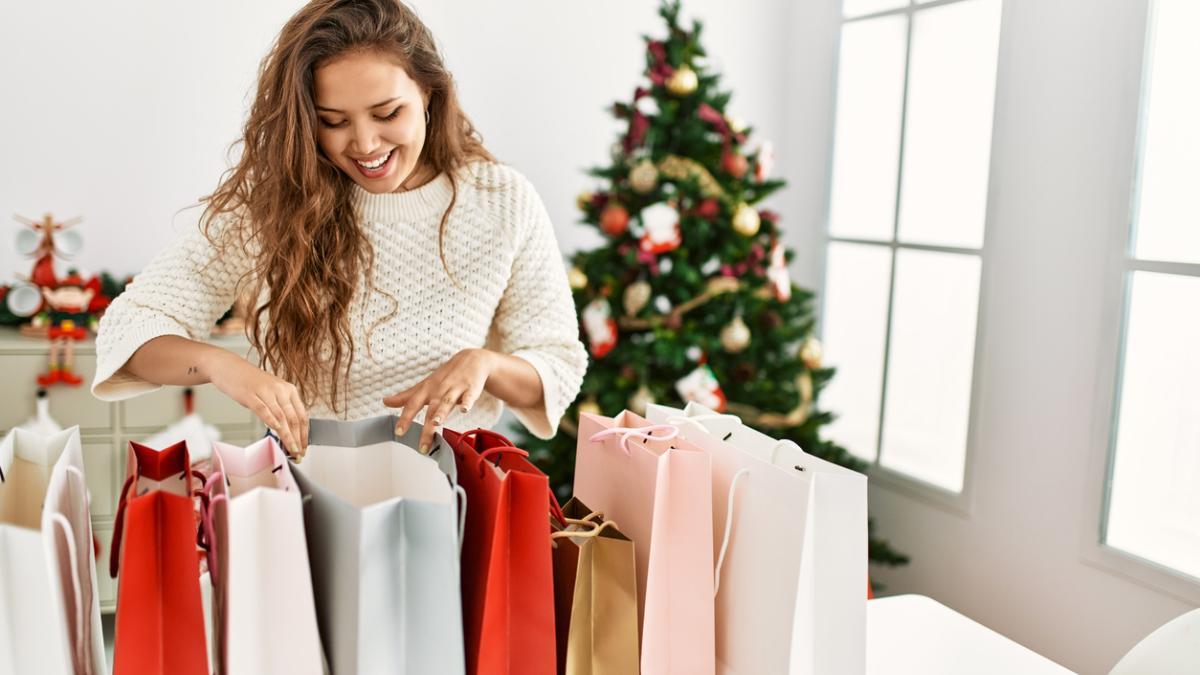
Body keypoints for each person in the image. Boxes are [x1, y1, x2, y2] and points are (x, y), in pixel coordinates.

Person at [91, 0, 587, 459]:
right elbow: (129, 330)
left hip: (457, 499)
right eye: (333, 122)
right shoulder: (275, 204)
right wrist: (224, 366)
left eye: (387, 113)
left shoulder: (500, 200)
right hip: (312, 496)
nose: (365, 144)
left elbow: (558, 365)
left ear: (429, 92)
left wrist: (485, 365)